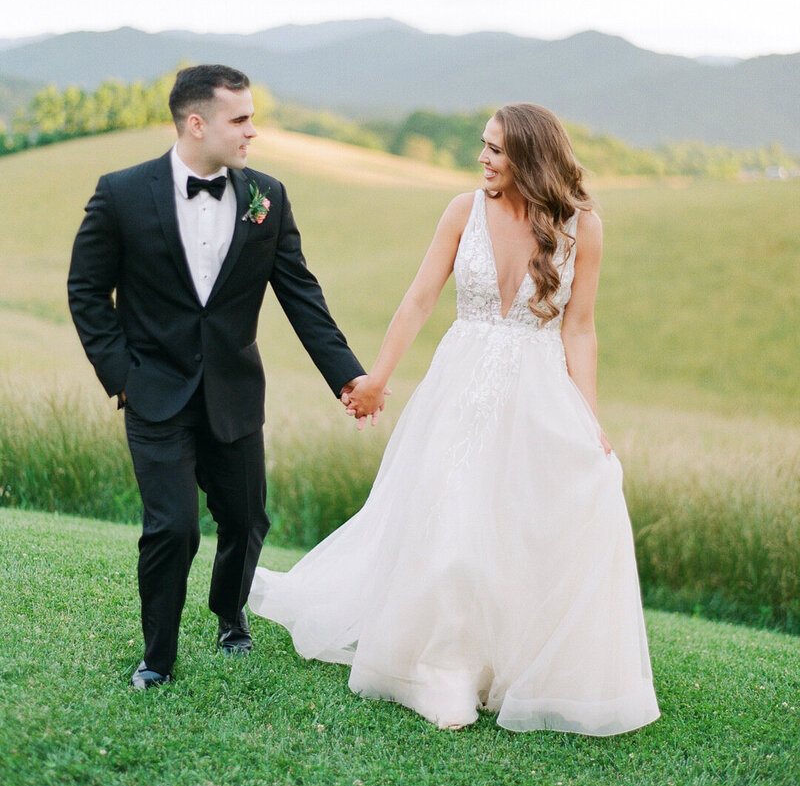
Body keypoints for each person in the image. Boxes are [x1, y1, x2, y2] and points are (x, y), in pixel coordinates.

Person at [249, 102, 660, 735]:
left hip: (537, 394)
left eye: (496, 149)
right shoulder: (462, 211)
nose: (483, 158)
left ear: (530, 157)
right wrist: (377, 380)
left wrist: (589, 420)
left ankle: (509, 665)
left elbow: (580, 329)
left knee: (520, 523)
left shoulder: (583, 227)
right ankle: (444, 668)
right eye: (484, 145)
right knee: (451, 520)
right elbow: (418, 300)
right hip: (458, 386)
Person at [68, 64, 370, 690]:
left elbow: (302, 297)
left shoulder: (268, 198)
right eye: (240, 119)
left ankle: (229, 613)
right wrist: (121, 375)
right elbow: (87, 291)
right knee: (172, 527)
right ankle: (157, 657)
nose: (252, 132)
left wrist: (348, 377)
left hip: (234, 394)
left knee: (246, 518)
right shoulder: (121, 193)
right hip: (153, 391)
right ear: (196, 122)